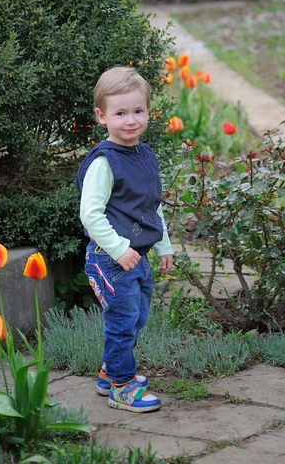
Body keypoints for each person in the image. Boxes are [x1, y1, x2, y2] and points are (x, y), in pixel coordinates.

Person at [76, 66, 173, 413]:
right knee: (121, 321)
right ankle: (121, 386)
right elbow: (91, 215)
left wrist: (163, 244)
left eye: (137, 111)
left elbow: (151, 204)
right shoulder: (105, 162)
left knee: (136, 317)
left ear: (148, 111)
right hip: (109, 258)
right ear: (102, 116)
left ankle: (108, 371)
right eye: (120, 113)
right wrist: (118, 248)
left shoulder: (144, 154)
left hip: (135, 256)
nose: (130, 120)